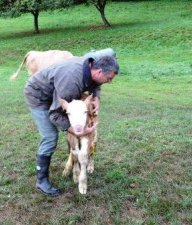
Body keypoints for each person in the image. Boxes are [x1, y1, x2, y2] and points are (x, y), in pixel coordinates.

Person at [24, 54, 120, 196]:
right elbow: (55, 114)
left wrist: (97, 97)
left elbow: (96, 83)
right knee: (50, 136)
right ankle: (42, 180)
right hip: (39, 96)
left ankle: (73, 161)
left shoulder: (92, 65)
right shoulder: (72, 83)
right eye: (109, 78)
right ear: (99, 72)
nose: (109, 82)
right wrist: (74, 130)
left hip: (58, 92)